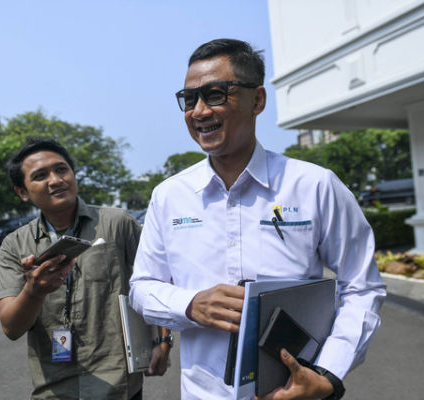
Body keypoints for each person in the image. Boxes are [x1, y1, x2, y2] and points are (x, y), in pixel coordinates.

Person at [129, 39, 386, 400]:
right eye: (190, 100)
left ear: (258, 100)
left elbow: (362, 286)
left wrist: (327, 375)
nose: (199, 111)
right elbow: (142, 287)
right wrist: (190, 304)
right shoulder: (169, 196)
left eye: (216, 94)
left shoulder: (314, 185)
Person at [0, 137, 170, 399]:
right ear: (22, 192)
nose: (55, 180)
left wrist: (164, 342)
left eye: (61, 169)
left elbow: (156, 282)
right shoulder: (15, 244)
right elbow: (11, 328)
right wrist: (34, 291)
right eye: (41, 175)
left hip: (118, 384)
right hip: (54, 387)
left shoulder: (117, 223)